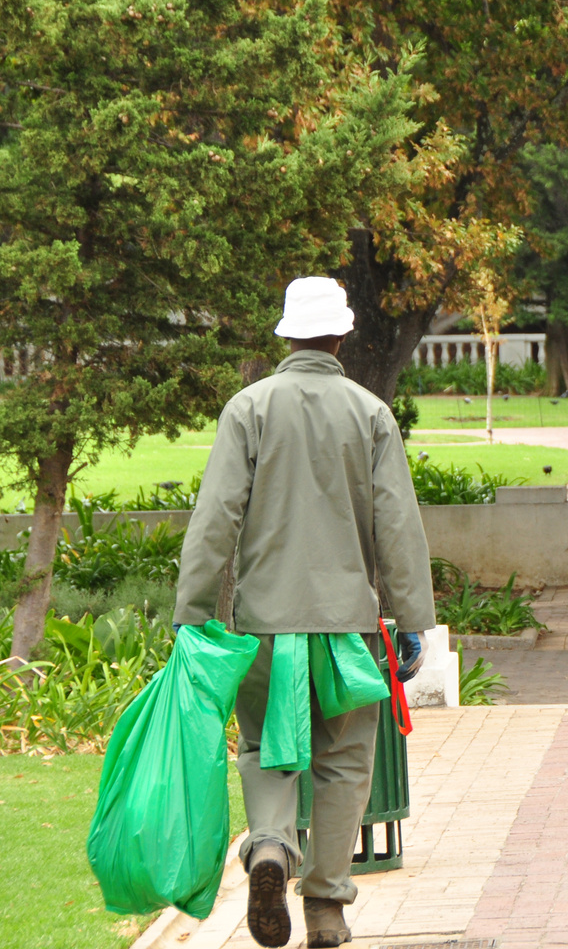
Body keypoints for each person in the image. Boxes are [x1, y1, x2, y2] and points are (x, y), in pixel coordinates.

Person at [174, 277, 434, 948]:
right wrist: (412, 618)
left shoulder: (248, 409)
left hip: (264, 623)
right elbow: (396, 525)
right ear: (342, 335)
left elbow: (215, 518)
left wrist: (192, 609)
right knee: (345, 762)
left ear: (286, 335)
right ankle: (325, 907)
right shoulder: (369, 413)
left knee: (266, 748)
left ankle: (269, 850)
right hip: (347, 624)